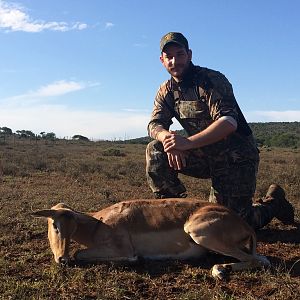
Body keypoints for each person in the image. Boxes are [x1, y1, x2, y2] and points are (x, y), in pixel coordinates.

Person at [146, 32, 294, 230]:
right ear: (162, 60)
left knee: (229, 225)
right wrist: (168, 139)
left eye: (180, 54)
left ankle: (274, 203)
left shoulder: (211, 80)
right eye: (169, 57)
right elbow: (154, 124)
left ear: (189, 55)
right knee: (156, 149)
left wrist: (187, 143)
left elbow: (228, 122)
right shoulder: (166, 90)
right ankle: (173, 216)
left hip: (236, 159)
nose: (175, 61)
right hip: (205, 154)